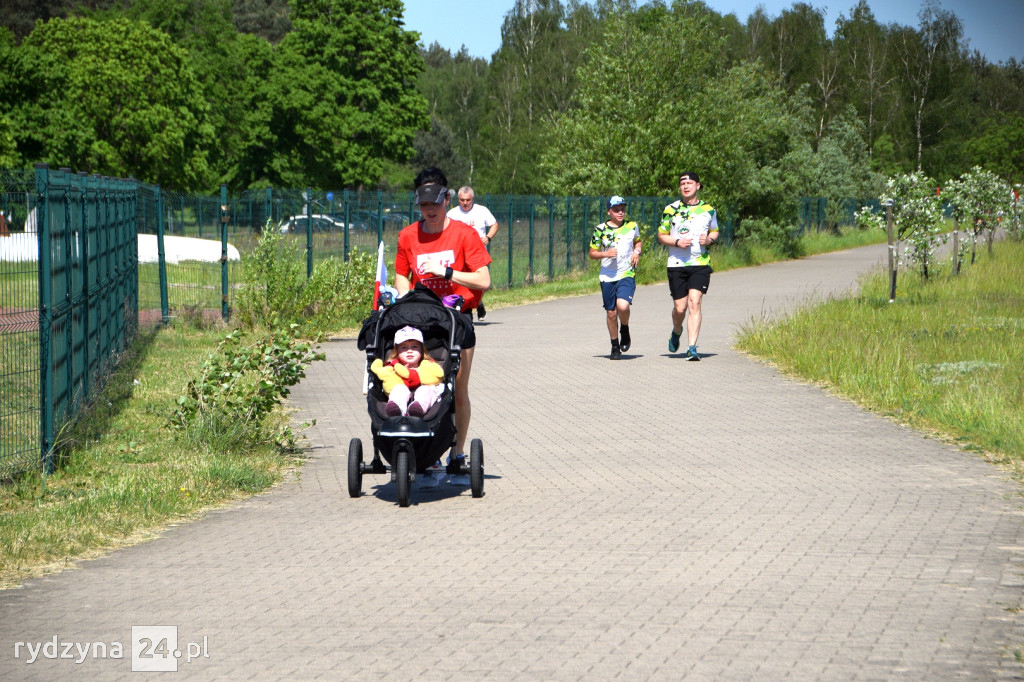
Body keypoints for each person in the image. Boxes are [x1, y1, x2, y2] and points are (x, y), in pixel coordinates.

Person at [395, 168, 491, 486]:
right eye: (423, 205)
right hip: (420, 321)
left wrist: (448, 273)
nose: (429, 210)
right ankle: (426, 450)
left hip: (456, 320)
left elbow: (484, 280)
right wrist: (399, 299)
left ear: (447, 199)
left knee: (456, 389)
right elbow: (401, 276)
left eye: (434, 203)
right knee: (418, 385)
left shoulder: (464, 234)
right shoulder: (408, 236)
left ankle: (457, 454)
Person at [657, 172, 719, 361]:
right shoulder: (671, 209)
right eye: (682, 183)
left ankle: (692, 347)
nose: (685, 186)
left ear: (698, 186)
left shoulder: (708, 210)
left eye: (689, 183)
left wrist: (709, 239)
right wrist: (676, 242)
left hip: (699, 263)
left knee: (695, 302)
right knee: (680, 308)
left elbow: (714, 231)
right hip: (677, 264)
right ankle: (677, 331)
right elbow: (661, 235)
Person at [588, 195, 641, 360]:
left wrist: (636, 252)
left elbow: (638, 242)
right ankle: (615, 346)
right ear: (609, 211)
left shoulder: (632, 226)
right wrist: (606, 253)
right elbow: (592, 253)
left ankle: (624, 328)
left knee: (623, 306)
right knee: (611, 313)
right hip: (607, 276)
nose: (620, 212)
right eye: (616, 210)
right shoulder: (600, 229)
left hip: (626, 273)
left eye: (623, 209)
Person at [446, 186, 499, 321]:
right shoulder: (452, 214)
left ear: (473, 199)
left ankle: (478, 302)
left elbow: (494, 224)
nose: (465, 203)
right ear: (458, 199)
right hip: (459, 254)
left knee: (482, 283)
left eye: (468, 200)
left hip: (478, 255)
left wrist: (488, 237)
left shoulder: (481, 211)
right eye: (462, 200)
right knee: (461, 281)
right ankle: (465, 308)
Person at [370, 326, 444, 418]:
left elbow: (438, 374)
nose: (409, 351)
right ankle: (397, 409)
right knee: (398, 389)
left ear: (422, 350)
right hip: (402, 390)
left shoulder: (427, 365)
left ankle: (418, 408)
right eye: (404, 347)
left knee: (426, 391)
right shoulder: (393, 367)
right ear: (397, 351)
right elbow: (386, 375)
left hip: (424, 393)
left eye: (414, 347)